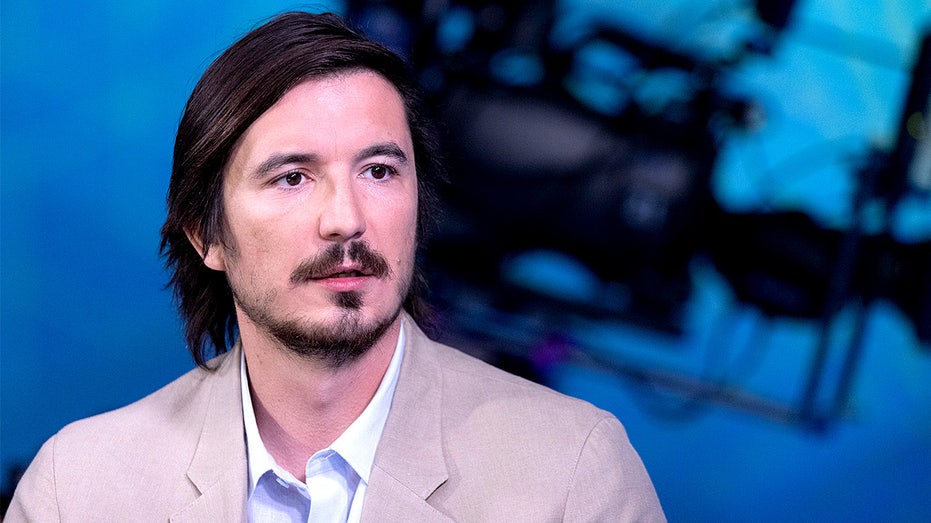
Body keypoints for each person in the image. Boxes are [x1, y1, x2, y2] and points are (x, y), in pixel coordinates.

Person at [7, 11, 665, 522]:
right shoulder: (81, 486)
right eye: (293, 177)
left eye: (378, 171)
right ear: (205, 234)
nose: (345, 218)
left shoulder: (572, 472)